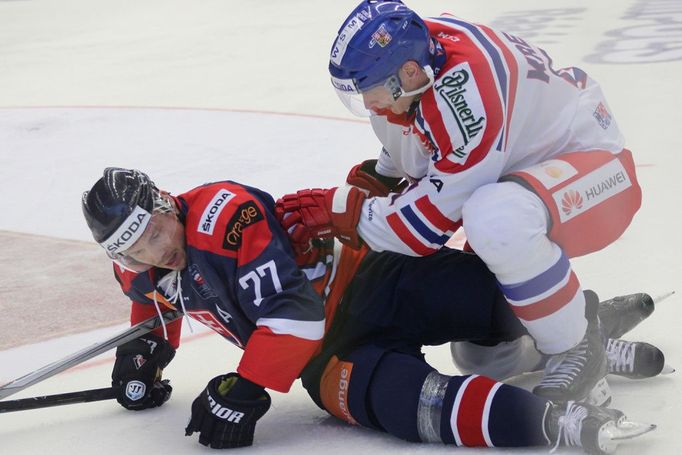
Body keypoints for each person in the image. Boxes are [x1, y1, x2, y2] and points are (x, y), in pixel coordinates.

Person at [81, 167, 658, 453]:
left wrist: (248, 385)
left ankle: (584, 331)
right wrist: (144, 355)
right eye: (137, 247)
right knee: (408, 404)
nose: (158, 249)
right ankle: (550, 423)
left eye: (157, 229)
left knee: (485, 298)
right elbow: (158, 300)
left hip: (370, 280)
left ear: (164, 203)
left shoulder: (221, 217)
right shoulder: (141, 268)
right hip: (328, 356)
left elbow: (293, 313)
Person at [276, 0, 644, 405]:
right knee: (482, 358)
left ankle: (576, 349)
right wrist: (382, 175)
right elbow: (417, 135)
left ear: (410, 73)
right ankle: (574, 323)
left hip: (598, 172)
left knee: (495, 220)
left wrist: (347, 212)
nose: (368, 104)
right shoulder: (413, 60)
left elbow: (422, 231)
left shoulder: (467, 101)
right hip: (520, 171)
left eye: (372, 91)